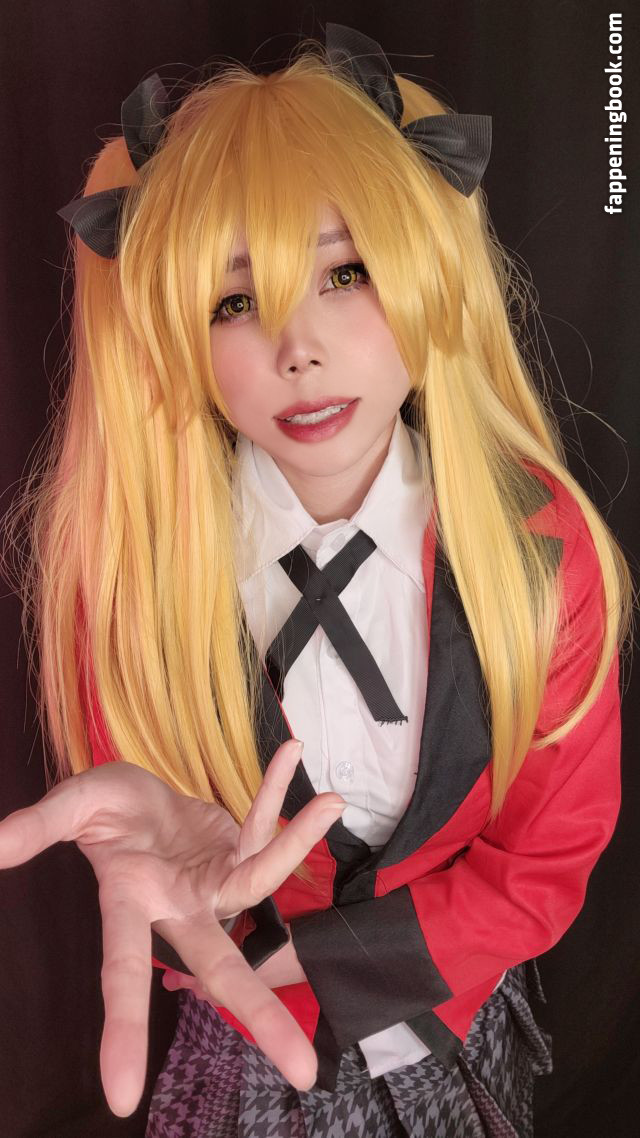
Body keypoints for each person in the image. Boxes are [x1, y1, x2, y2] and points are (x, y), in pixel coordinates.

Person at [0, 21, 632, 1138]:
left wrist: (344, 955)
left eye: (346, 272)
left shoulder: (538, 552)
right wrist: (200, 919)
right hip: (241, 1040)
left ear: (428, 266)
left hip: (450, 1022)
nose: (298, 347)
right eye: (234, 302)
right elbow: (154, 851)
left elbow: (548, 854)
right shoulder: (137, 584)